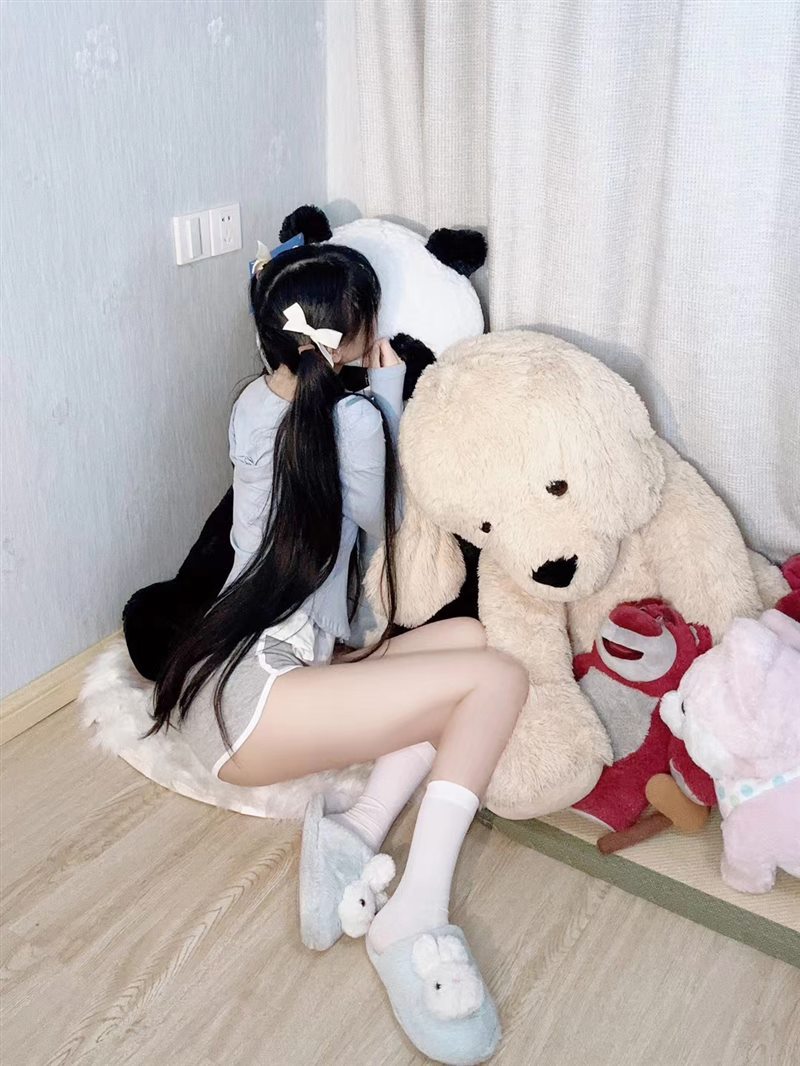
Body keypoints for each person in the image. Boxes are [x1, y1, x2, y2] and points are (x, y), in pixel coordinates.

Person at [150, 243, 528, 1065]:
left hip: (241, 670)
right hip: (256, 707)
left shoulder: (252, 407)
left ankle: (355, 833)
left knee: (470, 642)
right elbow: (385, 518)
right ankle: (415, 913)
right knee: (497, 679)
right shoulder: (354, 422)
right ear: (351, 335)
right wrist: (385, 397)